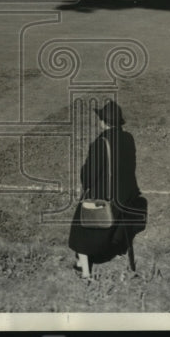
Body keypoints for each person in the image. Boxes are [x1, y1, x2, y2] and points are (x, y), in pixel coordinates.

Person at [68, 101, 145, 279]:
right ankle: (113, 247)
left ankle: (84, 269)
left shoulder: (100, 143)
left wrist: (85, 181)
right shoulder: (128, 139)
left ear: (103, 122)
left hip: (107, 198)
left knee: (80, 220)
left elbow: (88, 177)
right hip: (127, 196)